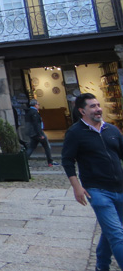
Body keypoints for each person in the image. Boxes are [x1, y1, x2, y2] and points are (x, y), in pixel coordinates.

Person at [62, 93, 123, 271]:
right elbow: (67, 161)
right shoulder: (75, 133)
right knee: (117, 234)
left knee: (110, 230)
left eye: (98, 105)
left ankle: (102, 266)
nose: (98, 109)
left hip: (119, 187)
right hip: (97, 190)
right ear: (82, 111)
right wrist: (77, 187)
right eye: (92, 106)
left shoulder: (112, 130)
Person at [25, 99, 57, 166]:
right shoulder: (34, 113)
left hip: (32, 133)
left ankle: (24, 160)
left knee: (31, 147)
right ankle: (50, 162)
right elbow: (36, 124)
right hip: (37, 133)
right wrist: (40, 134)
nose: (38, 106)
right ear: (35, 105)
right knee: (46, 146)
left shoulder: (29, 112)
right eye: (38, 104)